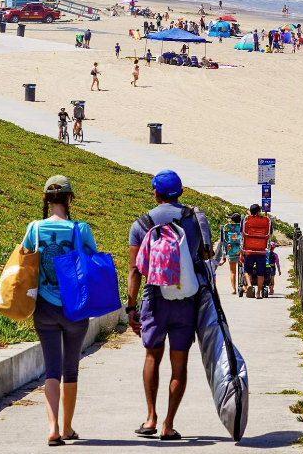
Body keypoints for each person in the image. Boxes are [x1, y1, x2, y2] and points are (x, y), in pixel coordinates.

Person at [127, 170, 211, 441]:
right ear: (181, 192)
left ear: (155, 193)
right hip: (187, 300)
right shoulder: (195, 219)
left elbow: (134, 270)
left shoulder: (141, 224)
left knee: (152, 356)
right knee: (179, 361)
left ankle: (150, 418)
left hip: (154, 298)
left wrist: (131, 308)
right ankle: (168, 424)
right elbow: (206, 256)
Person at [23, 176, 98, 446]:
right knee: (71, 369)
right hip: (75, 309)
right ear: (69, 199)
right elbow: (92, 261)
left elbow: (24, 261)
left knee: (52, 369)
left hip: (44, 309)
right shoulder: (81, 229)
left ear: (45, 199)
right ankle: (67, 427)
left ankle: (53, 427)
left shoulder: (34, 228)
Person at [241, 204, 272, 299]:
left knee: (247, 271)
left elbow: (242, 238)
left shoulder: (246, 221)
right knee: (260, 273)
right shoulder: (266, 220)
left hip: (249, 251)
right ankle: (258, 293)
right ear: (258, 211)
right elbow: (269, 235)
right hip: (261, 251)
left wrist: (242, 253)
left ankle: (249, 285)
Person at [219, 212, 242, 294]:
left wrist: (224, 256)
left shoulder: (227, 227)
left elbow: (224, 242)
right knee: (244, 269)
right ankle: (245, 287)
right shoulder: (242, 227)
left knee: (232, 272)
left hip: (231, 250)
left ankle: (234, 289)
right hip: (241, 250)